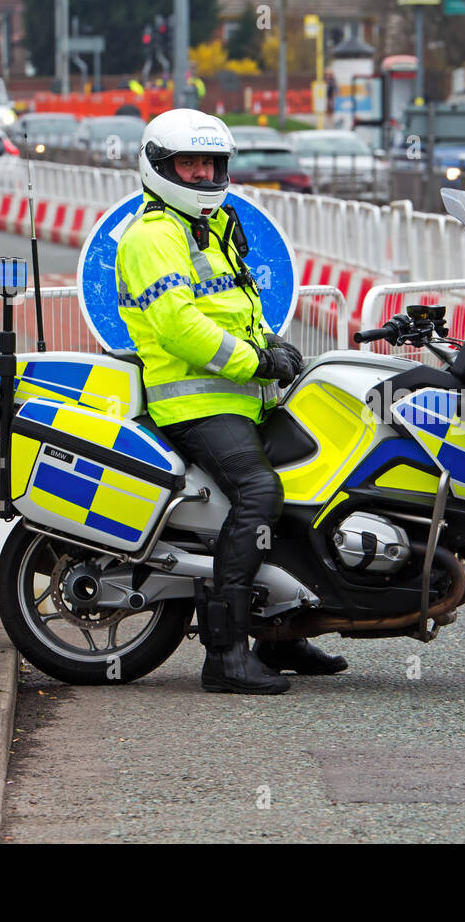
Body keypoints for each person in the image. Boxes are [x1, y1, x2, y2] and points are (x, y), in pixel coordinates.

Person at [115, 108, 347, 694]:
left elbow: (233, 309)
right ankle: (225, 655)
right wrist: (255, 362)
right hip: (194, 405)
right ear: (160, 167)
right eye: (188, 164)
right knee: (259, 490)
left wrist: (273, 345)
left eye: (209, 165)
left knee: (307, 479)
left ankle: (281, 635)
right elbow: (180, 327)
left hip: (243, 400)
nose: (200, 175)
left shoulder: (212, 231)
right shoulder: (152, 236)